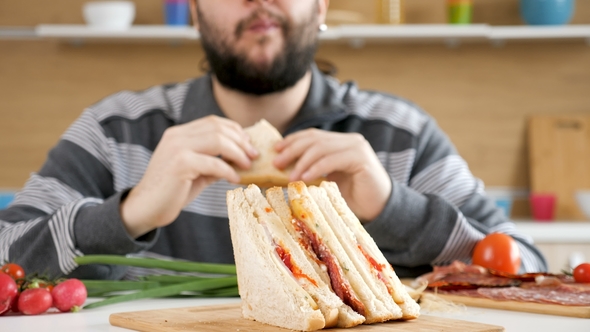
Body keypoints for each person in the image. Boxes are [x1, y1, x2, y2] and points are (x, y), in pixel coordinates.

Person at [0, 0, 547, 280]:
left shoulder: (399, 136)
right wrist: (130, 213)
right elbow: (6, 258)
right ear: (193, 10)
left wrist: (390, 209)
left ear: (322, 7)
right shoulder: (113, 131)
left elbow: (523, 267)